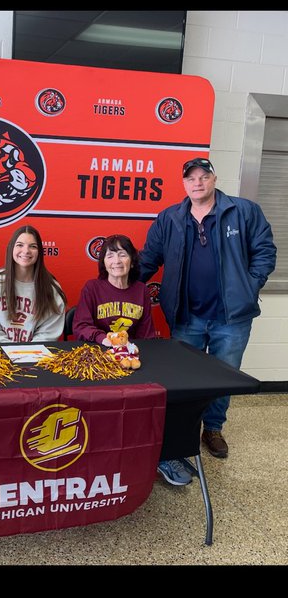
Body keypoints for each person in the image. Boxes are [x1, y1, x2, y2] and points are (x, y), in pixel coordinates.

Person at [139, 156, 276, 480]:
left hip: (231, 317)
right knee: (184, 382)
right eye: (191, 178)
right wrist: (120, 288)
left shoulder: (243, 211)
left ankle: (212, 430)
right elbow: (149, 257)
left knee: (223, 376)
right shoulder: (170, 218)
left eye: (203, 176)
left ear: (214, 178)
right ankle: (182, 436)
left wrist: (249, 284)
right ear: (184, 183)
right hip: (186, 316)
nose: (197, 182)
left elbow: (264, 251)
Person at [0, 224, 66, 344]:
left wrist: (26, 354)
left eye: (33, 246)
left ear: (39, 252)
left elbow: (48, 335)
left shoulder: (51, 289)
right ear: (11, 249)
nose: (26, 251)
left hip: (36, 357)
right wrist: (13, 353)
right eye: (20, 245)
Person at [73, 234, 157, 347]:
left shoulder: (141, 290)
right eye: (110, 256)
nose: (117, 261)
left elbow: (146, 334)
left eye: (122, 255)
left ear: (132, 262)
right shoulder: (92, 288)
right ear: (104, 263)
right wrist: (103, 339)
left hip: (130, 351)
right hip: (99, 349)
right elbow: (81, 326)